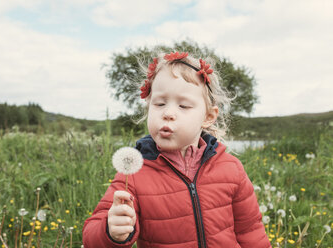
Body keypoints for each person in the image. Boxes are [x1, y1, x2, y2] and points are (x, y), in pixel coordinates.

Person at [82, 51, 271, 248]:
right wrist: (111, 231)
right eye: (160, 103)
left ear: (208, 116)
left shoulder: (232, 169)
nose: (168, 113)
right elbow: (91, 237)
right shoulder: (134, 173)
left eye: (183, 106)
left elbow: (250, 231)